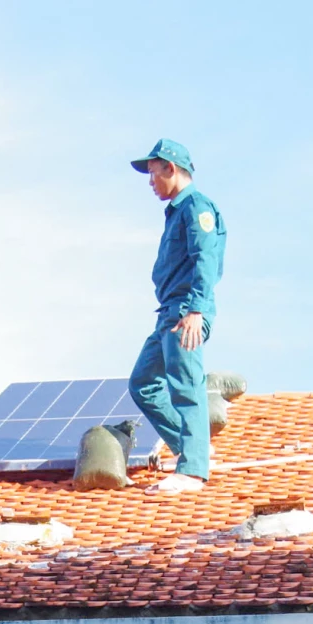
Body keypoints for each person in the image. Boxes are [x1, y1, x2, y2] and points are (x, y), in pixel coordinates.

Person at [127, 139, 226, 494]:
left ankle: (193, 471)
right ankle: (193, 447)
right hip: (168, 312)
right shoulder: (176, 211)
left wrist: (196, 310)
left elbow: (205, 259)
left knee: (185, 385)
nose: (151, 182)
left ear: (171, 168)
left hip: (186, 310)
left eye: (154, 174)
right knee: (143, 383)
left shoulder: (196, 207)